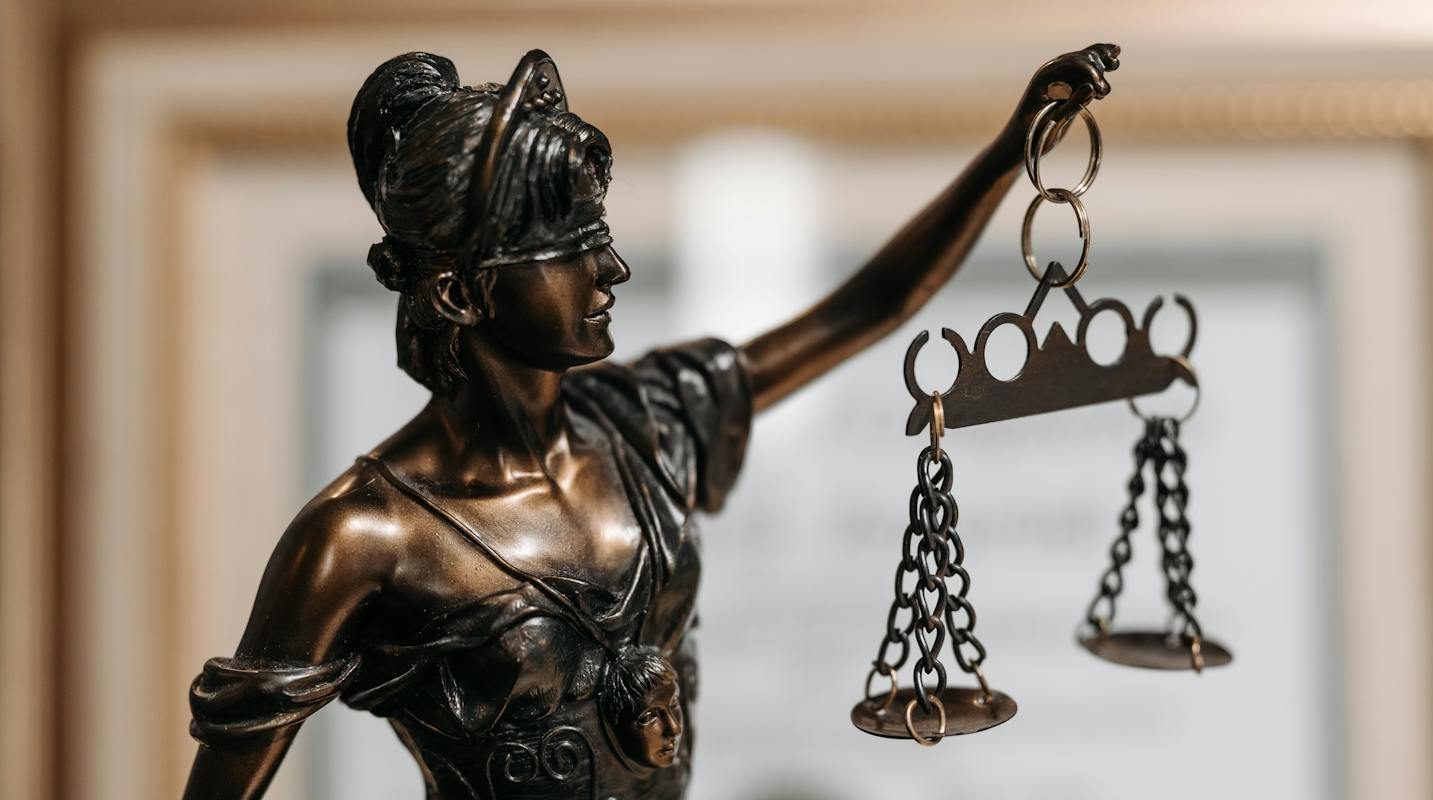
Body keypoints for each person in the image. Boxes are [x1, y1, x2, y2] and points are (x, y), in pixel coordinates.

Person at [183, 44, 1118, 800]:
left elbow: (861, 311)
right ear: (462, 291)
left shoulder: (649, 420)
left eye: (603, 238)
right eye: (569, 251)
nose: (612, 271)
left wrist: (1008, 153)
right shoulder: (361, 538)